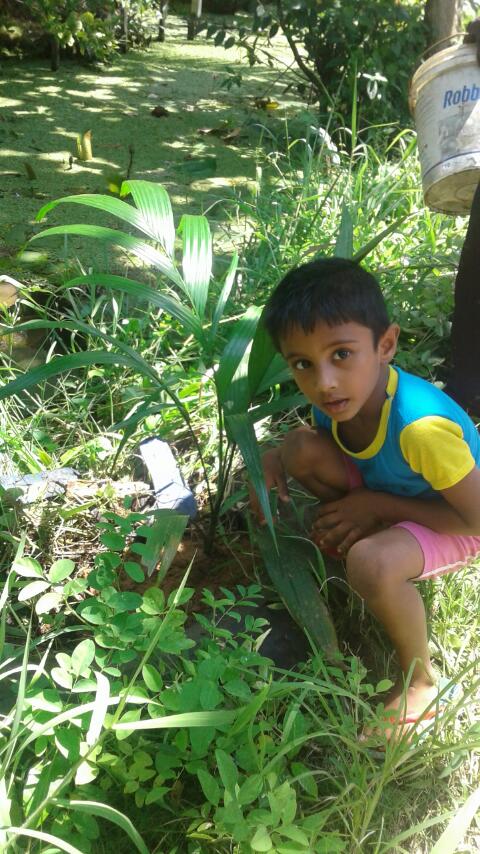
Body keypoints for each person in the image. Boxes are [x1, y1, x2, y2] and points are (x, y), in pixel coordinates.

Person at [250, 256, 480, 740]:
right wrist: (274, 457)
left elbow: (477, 521)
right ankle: (375, 536)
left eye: (341, 354)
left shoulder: (421, 429)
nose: (324, 382)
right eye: (302, 364)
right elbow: (313, 447)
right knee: (299, 448)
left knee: (371, 564)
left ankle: (422, 683)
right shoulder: (341, 399)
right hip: (393, 493)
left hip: (457, 518)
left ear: (385, 345)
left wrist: (379, 507)